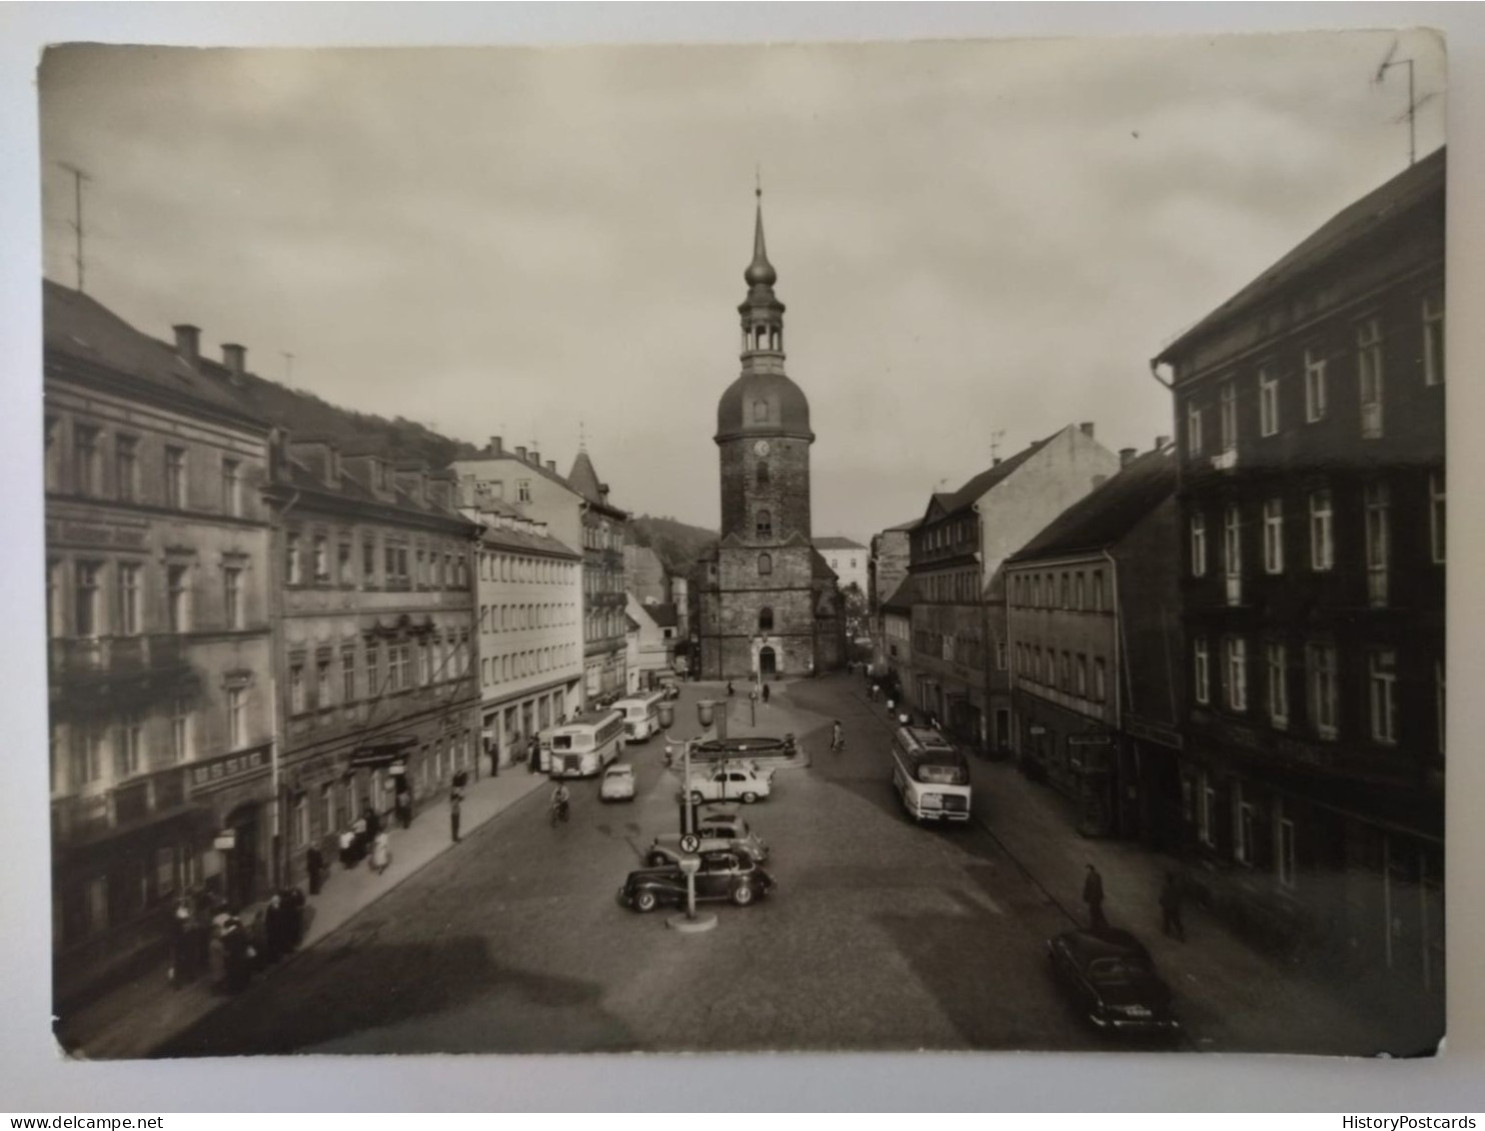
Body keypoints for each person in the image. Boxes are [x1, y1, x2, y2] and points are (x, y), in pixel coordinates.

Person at [1160, 872, 1186, 941]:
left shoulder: (1166, 887)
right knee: (1174, 920)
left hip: (1169, 906)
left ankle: (1167, 930)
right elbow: (1179, 897)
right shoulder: (1175, 888)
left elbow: (1164, 896)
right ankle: (1179, 933)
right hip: (1173, 906)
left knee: (1168, 918)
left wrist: (1162, 902)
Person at [1083, 863, 1107, 931]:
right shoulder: (1096, 876)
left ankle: (1095, 925)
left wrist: (1088, 896)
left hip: (1094, 897)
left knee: (1093, 910)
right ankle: (1100, 923)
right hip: (1097, 896)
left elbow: (1090, 888)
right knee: (1096, 909)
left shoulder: (1091, 877)